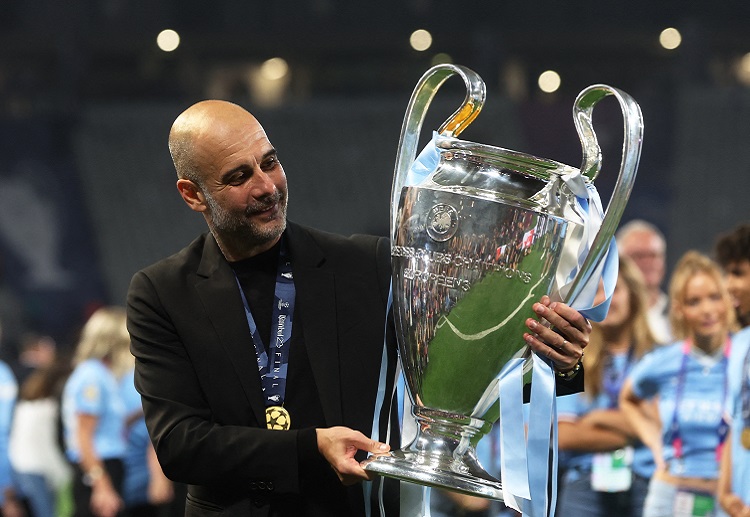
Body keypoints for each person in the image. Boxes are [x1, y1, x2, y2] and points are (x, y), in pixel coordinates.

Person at [126, 99, 592, 517]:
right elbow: (180, 447)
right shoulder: (161, 292)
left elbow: (458, 378)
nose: (267, 186)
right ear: (192, 194)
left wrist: (559, 364)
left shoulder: (368, 266)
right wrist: (311, 448)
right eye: (240, 176)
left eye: (270, 163)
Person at [620, 251, 737, 517]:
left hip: (728, 498)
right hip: (669, 497)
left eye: (714, 297)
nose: (707, 310)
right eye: (694, 301)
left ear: (728, 300)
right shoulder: (665, 361)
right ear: (679, 309)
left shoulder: (743, 358)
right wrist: (656, 446)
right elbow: (628, 398)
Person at [556, 256, 656, 517]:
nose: (605, 298)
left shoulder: (660, 357)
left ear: (634, 294)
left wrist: (594, 419)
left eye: (615, 289)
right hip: (584, 485)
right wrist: (636, 431)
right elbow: (563, 435)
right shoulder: (570, 360)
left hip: (647, 482)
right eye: (596, 291)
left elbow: (665, 423)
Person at [62, 307, 133, 517]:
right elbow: (83, 434)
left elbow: (106, 425)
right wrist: (101, 484)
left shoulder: (102, 374)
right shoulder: (91, 375)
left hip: (106, 465)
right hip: (99, 467)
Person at [714, 223, 750, 516]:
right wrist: (725, 493)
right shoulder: (739, 343)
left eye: (737, 273)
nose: (728, 285)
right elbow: (734, 422)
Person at [9, 360, 72, 517]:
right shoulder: (48, 410)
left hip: (21, 464)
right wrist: (64, 473)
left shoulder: (25, 405)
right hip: (37, 467)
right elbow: (46, 447)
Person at [616, 219, 672, 344]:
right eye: (639, 256)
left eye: (653, 255)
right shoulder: (610, 317)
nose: (648, 262)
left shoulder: (678, 312)